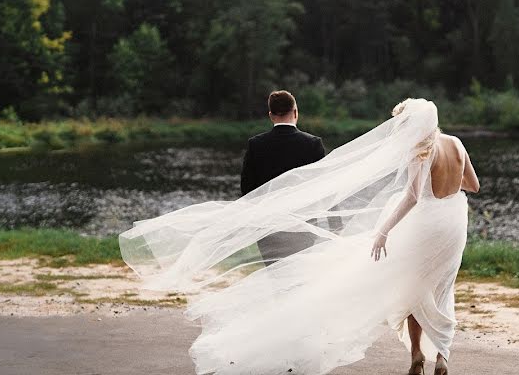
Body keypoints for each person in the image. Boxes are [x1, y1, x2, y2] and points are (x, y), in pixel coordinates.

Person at [119, 98, 479, 375]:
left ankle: (416, 353)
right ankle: (442, 355)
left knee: (411, 286)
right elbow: (473, 185)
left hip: (419, 223)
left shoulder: (421, 150)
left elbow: (413, 196)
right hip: (451, 223)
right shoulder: (458, 145)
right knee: (441, 287)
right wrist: (450, 188)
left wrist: (383, 229)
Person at [240, 90, 326, 264]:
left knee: (277, 278)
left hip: (268, 226)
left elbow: (247, 188)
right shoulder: (312, 144)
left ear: (271, 115)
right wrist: (335, 224)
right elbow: (325, 187)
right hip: (304, 225)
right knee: (300, 277)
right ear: (295, 112)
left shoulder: (256, 145)